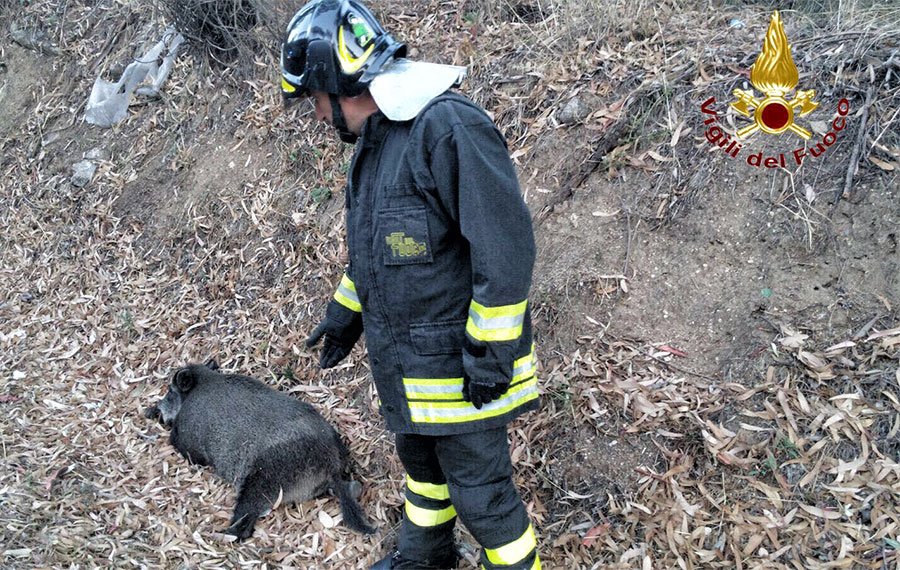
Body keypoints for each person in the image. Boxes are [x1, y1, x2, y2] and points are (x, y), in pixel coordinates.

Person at [280, 2, 541, 568]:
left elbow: (506, 250)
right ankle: (425, 558)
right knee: (424, 476)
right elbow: (382, 251)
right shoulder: (377, 146)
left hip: (466, 371)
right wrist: (344, 313)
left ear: (333, 82)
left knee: (484, 499)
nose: (317, 115)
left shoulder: (448, 129)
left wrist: (491, 353)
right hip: (413, 370)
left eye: (314, 100)